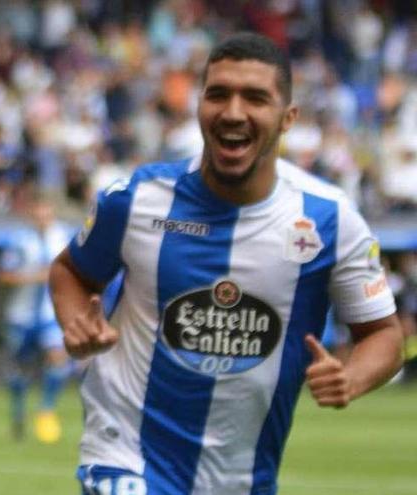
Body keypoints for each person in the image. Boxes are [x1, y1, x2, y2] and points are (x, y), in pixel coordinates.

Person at [49, 32, 403, 495]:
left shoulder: (331, 220)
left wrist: (351, 377)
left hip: (245, 476)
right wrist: (77, 323)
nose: (233, 112)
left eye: (255, 98)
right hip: (125, 455)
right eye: (218, 94)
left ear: (288, 118)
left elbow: (384, 333)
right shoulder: (137, 200)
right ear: (199, 107)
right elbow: (71, 271)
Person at [0, 191, 71, 443]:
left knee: (57, 357)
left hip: (51, 312)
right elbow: (4, 276)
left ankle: (46, 409)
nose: (42, 217)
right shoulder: (19, 241)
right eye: (37, 212)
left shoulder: (65, 237)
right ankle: (18, 413)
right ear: (31, 214)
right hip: (22, 314)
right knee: (20, 367)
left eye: (46, 212)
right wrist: (33, 276)